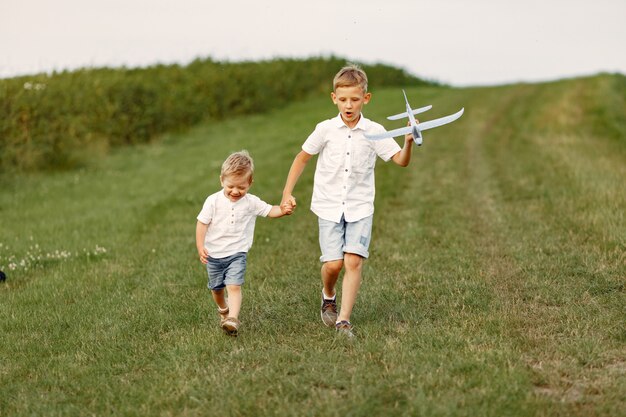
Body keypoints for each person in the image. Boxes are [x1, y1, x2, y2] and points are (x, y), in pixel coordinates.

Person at [281, 64, 415, 337]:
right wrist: (286, 193)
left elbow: (400, 161)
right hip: (329, 205)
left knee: (353, 261)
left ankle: (344, 320)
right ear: (334, 98)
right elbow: (302, 158)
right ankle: (328, 294)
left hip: (360, 206)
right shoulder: (326, 129)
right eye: (343, 99)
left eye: (355, 99)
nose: (349, 105)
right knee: (333, 264)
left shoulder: (375, 130)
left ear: (366, 98)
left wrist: (408, 141)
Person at [196, 150, 293, 336]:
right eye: (230, 186)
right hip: (214, 254)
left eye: (241, 187)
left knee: (234, 285)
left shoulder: (250, 202)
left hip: (237, 253)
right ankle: (223, 310)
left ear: (250, 184)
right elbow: (202, 223)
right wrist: (201, 247)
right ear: (221, 181)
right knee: (216, 289)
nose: (235, 191)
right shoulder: (213, 201)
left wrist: (282, 210)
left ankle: (233, 318)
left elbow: (268, 210)